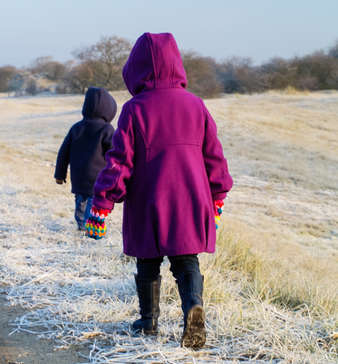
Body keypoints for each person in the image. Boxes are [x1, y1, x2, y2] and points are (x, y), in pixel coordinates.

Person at [85, 33, 233, 348]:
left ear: (135, 69)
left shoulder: (134, 109)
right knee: (186, 261)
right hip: (191, 198)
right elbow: (214, 156)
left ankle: (148, 322)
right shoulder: (196, 105)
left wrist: (102, 202)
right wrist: (217, 196)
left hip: (147, 200)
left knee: (147, 262)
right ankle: (193, 308)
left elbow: (119, 163)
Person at [54, 87, 117, 230]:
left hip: (78, 177)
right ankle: (90, 227)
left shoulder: (76, 128)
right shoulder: (107, 130)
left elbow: (63, 153)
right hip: (98, 178)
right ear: (109, 110)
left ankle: (81, 224)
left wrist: (60, 175)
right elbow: (114, 153)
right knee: (94, 204)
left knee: (80, 201)